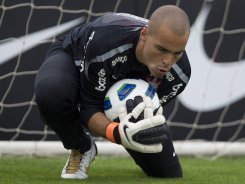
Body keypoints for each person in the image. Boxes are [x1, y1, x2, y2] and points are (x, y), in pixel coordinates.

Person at [34, 5, 191, 179]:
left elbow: (146, 117)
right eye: (161, 49)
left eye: (177, 53)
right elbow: (90, 108)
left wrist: (135, 126)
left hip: (117, 83)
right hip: (76, 58)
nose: (168, 62)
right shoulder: (106, 42)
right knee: (52, 93)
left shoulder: (180, 74)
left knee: (167, 174)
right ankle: (81, 146)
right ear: (144, 35)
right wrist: (116, 133)